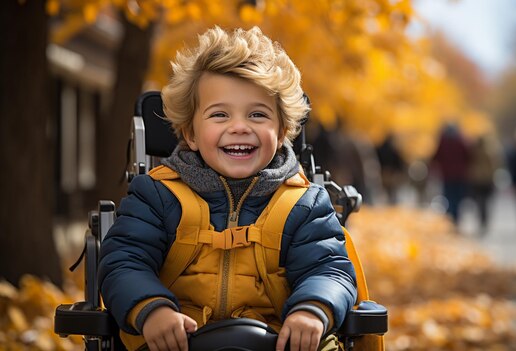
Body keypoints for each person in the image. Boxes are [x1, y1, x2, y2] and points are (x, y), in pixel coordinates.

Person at [98, 26, 357, 351]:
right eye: (220, 114)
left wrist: (312, 309)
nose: (239, 127)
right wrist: (152, 309)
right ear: (190, 134)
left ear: (281, 133)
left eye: (257, 115)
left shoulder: (303, 204)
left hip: (276, 341)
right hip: (176, 341)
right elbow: (124, 259)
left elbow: (329, 268)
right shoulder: (156, 195)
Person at [430, 123, 470, 226]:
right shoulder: (460, 141)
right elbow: (468, 156)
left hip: (447, 175)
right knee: (457, 198)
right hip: (459, 175)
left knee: (448, 197)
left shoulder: (443, 142)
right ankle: (455, 218)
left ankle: (450, 218)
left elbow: (436, 157)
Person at [467, 136, 497, 234]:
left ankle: (481, 219)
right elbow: (493, 166)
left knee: (479, 201)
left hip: (477, 180)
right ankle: (484, 219)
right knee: (485, 202)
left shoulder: (473, 153)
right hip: (486, 179)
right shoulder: (488, 152)